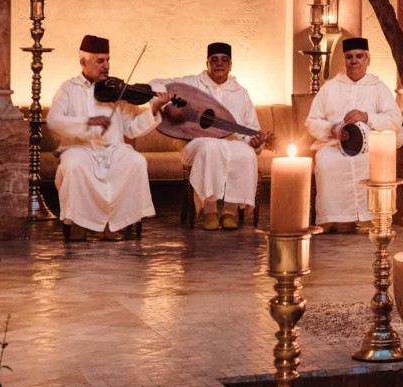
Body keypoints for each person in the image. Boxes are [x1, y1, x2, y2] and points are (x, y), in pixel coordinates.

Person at [46, 35, 170, 241]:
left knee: (135, 161)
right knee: (74, 165)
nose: (106, 66)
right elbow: (54, 121)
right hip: (79, 148)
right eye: (100, 61)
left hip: (112, 149)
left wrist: (154, 109)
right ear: (83, 62)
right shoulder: (68, 88)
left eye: (108, 60)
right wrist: (87, 121)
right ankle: (78, 223)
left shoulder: (116, 91)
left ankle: (113, 223)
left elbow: (131, 129)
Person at [153, 43, 268, 231]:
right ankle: (210, 210)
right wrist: (166, 101)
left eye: (224, 60)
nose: (219, 64)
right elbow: (155, 84)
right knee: (210, 148)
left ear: (231, 66)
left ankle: (230, 211)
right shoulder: (194, 83)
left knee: (246, 153)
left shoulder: (241, 92)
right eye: (214, 60)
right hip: (195, 141)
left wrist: (255, 143)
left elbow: (251, 129)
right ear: (207, 64)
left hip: (232, 142)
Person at [306, 37, 403, 233]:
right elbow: (311, 121)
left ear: (367, 59)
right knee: (326, 162)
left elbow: (395, 119)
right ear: (344, 60)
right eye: (349, 57)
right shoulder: (330, 87)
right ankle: (332, 219)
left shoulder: (378, 87)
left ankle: (369, 218)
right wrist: (334, 130)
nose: (354, 61)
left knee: (370, 163)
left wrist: (367, 116)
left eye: (359, 56)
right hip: (333, 145)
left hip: (369, 148)